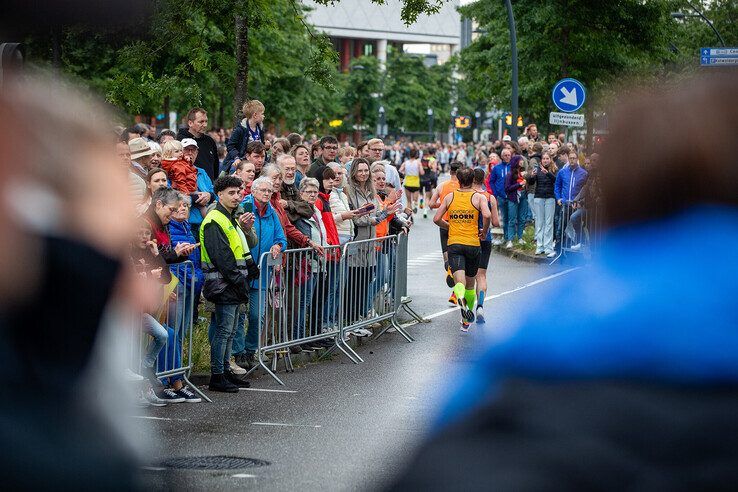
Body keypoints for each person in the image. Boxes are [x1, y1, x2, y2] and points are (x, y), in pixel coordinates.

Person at [200, 175, 257, 393]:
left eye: (238, 192)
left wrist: (250, 270)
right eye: (231, 193)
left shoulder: (230, 218)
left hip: (233, 283)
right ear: (219, 194)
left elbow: (240, 249)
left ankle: (225, 371)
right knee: (224, 331)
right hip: (224, 285)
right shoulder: (215, 220)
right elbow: (222, 257)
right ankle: (217, 375)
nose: (236, 197)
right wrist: (239, 280)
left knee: (231, 331)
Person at [232, 175, 286, 369]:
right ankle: (237, 353)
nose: (266, 193)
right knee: (239, 313)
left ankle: (250, 349)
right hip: (242, 270)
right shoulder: (244, 208)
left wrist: (278, 246)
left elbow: (281, 237)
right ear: (253, 191)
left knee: (257, 316)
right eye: (263, 190)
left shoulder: (272, 212)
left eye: (269, 191)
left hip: (263, 273)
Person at [434, 168, 490, 331]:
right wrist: (484, 231)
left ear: (458, 180)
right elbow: (486, 215)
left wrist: (448, 226)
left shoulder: (450, 197)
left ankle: (460, 300)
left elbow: (437, 218)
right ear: (473, 180)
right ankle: (466, 322)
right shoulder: (478, 197)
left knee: (459, 281)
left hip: (455, 243)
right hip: (473, 244)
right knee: (470, 285)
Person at [346, 158, 399, 323]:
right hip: (358, 242)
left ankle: (360, 317)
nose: (363, 174)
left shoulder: (370, 191)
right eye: (360, 170)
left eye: (365, 170)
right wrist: (374, 219)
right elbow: (356, 218)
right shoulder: (349, 190)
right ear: (354, 172)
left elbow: (376, 215)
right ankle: (351, 319)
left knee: (366, 280)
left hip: (371, 243)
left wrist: (386, 212)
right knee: (355, 283)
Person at [429, 161, 462, 302]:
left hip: (444, 223)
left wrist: (442, 204)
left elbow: (431, 204)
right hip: (460, 224)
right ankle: (456, 293)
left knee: (447, 257)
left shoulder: (442, 186)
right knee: (460, 260)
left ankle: (449, 269)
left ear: (450, 172)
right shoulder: (464, 187)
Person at [472, 169, 499, 323]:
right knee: (481, 275)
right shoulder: (490, 197)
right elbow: (495, 222)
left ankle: (466, 308)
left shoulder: (467, 195)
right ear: (484, 179)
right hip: (485, 238)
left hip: (469, 238)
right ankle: (480, 306)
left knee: (469, 276)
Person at [161, 139, 208, 220]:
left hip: (189, 189)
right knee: (194, 206)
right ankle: (208, 221)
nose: (190, 153)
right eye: (186, 150)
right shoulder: (177, 166)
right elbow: (181, 180)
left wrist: (210, 195)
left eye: (193, 150)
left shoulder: (200, 171)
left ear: (197, 152)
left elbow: (213, 192)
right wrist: (187, 195)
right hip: (186, 191)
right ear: (169, 153)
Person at [177, 107, 220, 180]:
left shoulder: (210, 141)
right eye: (201, 122)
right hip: (189, 185)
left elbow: (215, 165)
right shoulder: (180, 141)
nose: (205, 125)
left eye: (206, 121)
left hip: (209, 186)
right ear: (190, 123)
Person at [528, 152, 558, 257]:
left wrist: (548, 173)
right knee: (539, 222)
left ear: (550, 159)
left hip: (550, 197)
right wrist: (531, 176)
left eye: (547, 158)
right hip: (539, 197)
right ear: (541, 160)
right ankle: (539, 246)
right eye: (544, 159)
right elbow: (530, 182)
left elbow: (556, 181)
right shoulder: (537, 170)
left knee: (549, 223)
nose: (545, 160)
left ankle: (548, 247)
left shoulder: (554, 169)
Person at [224, 99, 265, 172]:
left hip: (257, 160)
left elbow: (260, 146)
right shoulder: (240, 130)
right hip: (242, 159)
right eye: (262, 113)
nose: (263, 116)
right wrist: (236, 158)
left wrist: (265, 146)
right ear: (255, 115)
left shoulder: (260, 129)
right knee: (234, 169)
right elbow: (230, 145)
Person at [327, 162, 357, 245]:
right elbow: (325, 220)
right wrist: (343, 216)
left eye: (339, 173)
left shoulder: (343, 194)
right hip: (336, 236)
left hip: (349, 236)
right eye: (333, 173)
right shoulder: (326, 194)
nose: (337, 176)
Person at [488, 148, 511, 246]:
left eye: (508, 155)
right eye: (505, 155)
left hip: (512, 195)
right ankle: (506, 237)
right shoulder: (497, 168)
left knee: (512, 217)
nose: (507, 157)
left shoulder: (513, 167)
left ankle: (511, 238)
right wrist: (495, 192)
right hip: (501, 196)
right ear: (501, 157)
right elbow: (491, 181)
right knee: (505, 217)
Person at [503, 155, 528, 249]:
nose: (522, 162)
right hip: (513, 198)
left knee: (522, 218)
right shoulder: (510, 174)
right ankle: (510, 239)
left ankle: (520, 237)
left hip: (523, 196)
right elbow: (507, 188)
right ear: (516, 162)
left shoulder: (522, 172)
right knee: (512, 219)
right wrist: (519, 184)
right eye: (520, 161)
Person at [400, 148, 424, 214]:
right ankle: (414, 205)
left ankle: (410, 216)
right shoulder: (418, 163)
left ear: (409, 155)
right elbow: (422, 172)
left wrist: (405, 172)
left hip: (407, 182)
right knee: (415, 200)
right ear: (416, 155)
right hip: (415, 183)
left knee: (408, 201)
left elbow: (400, 171)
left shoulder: (405, 163)